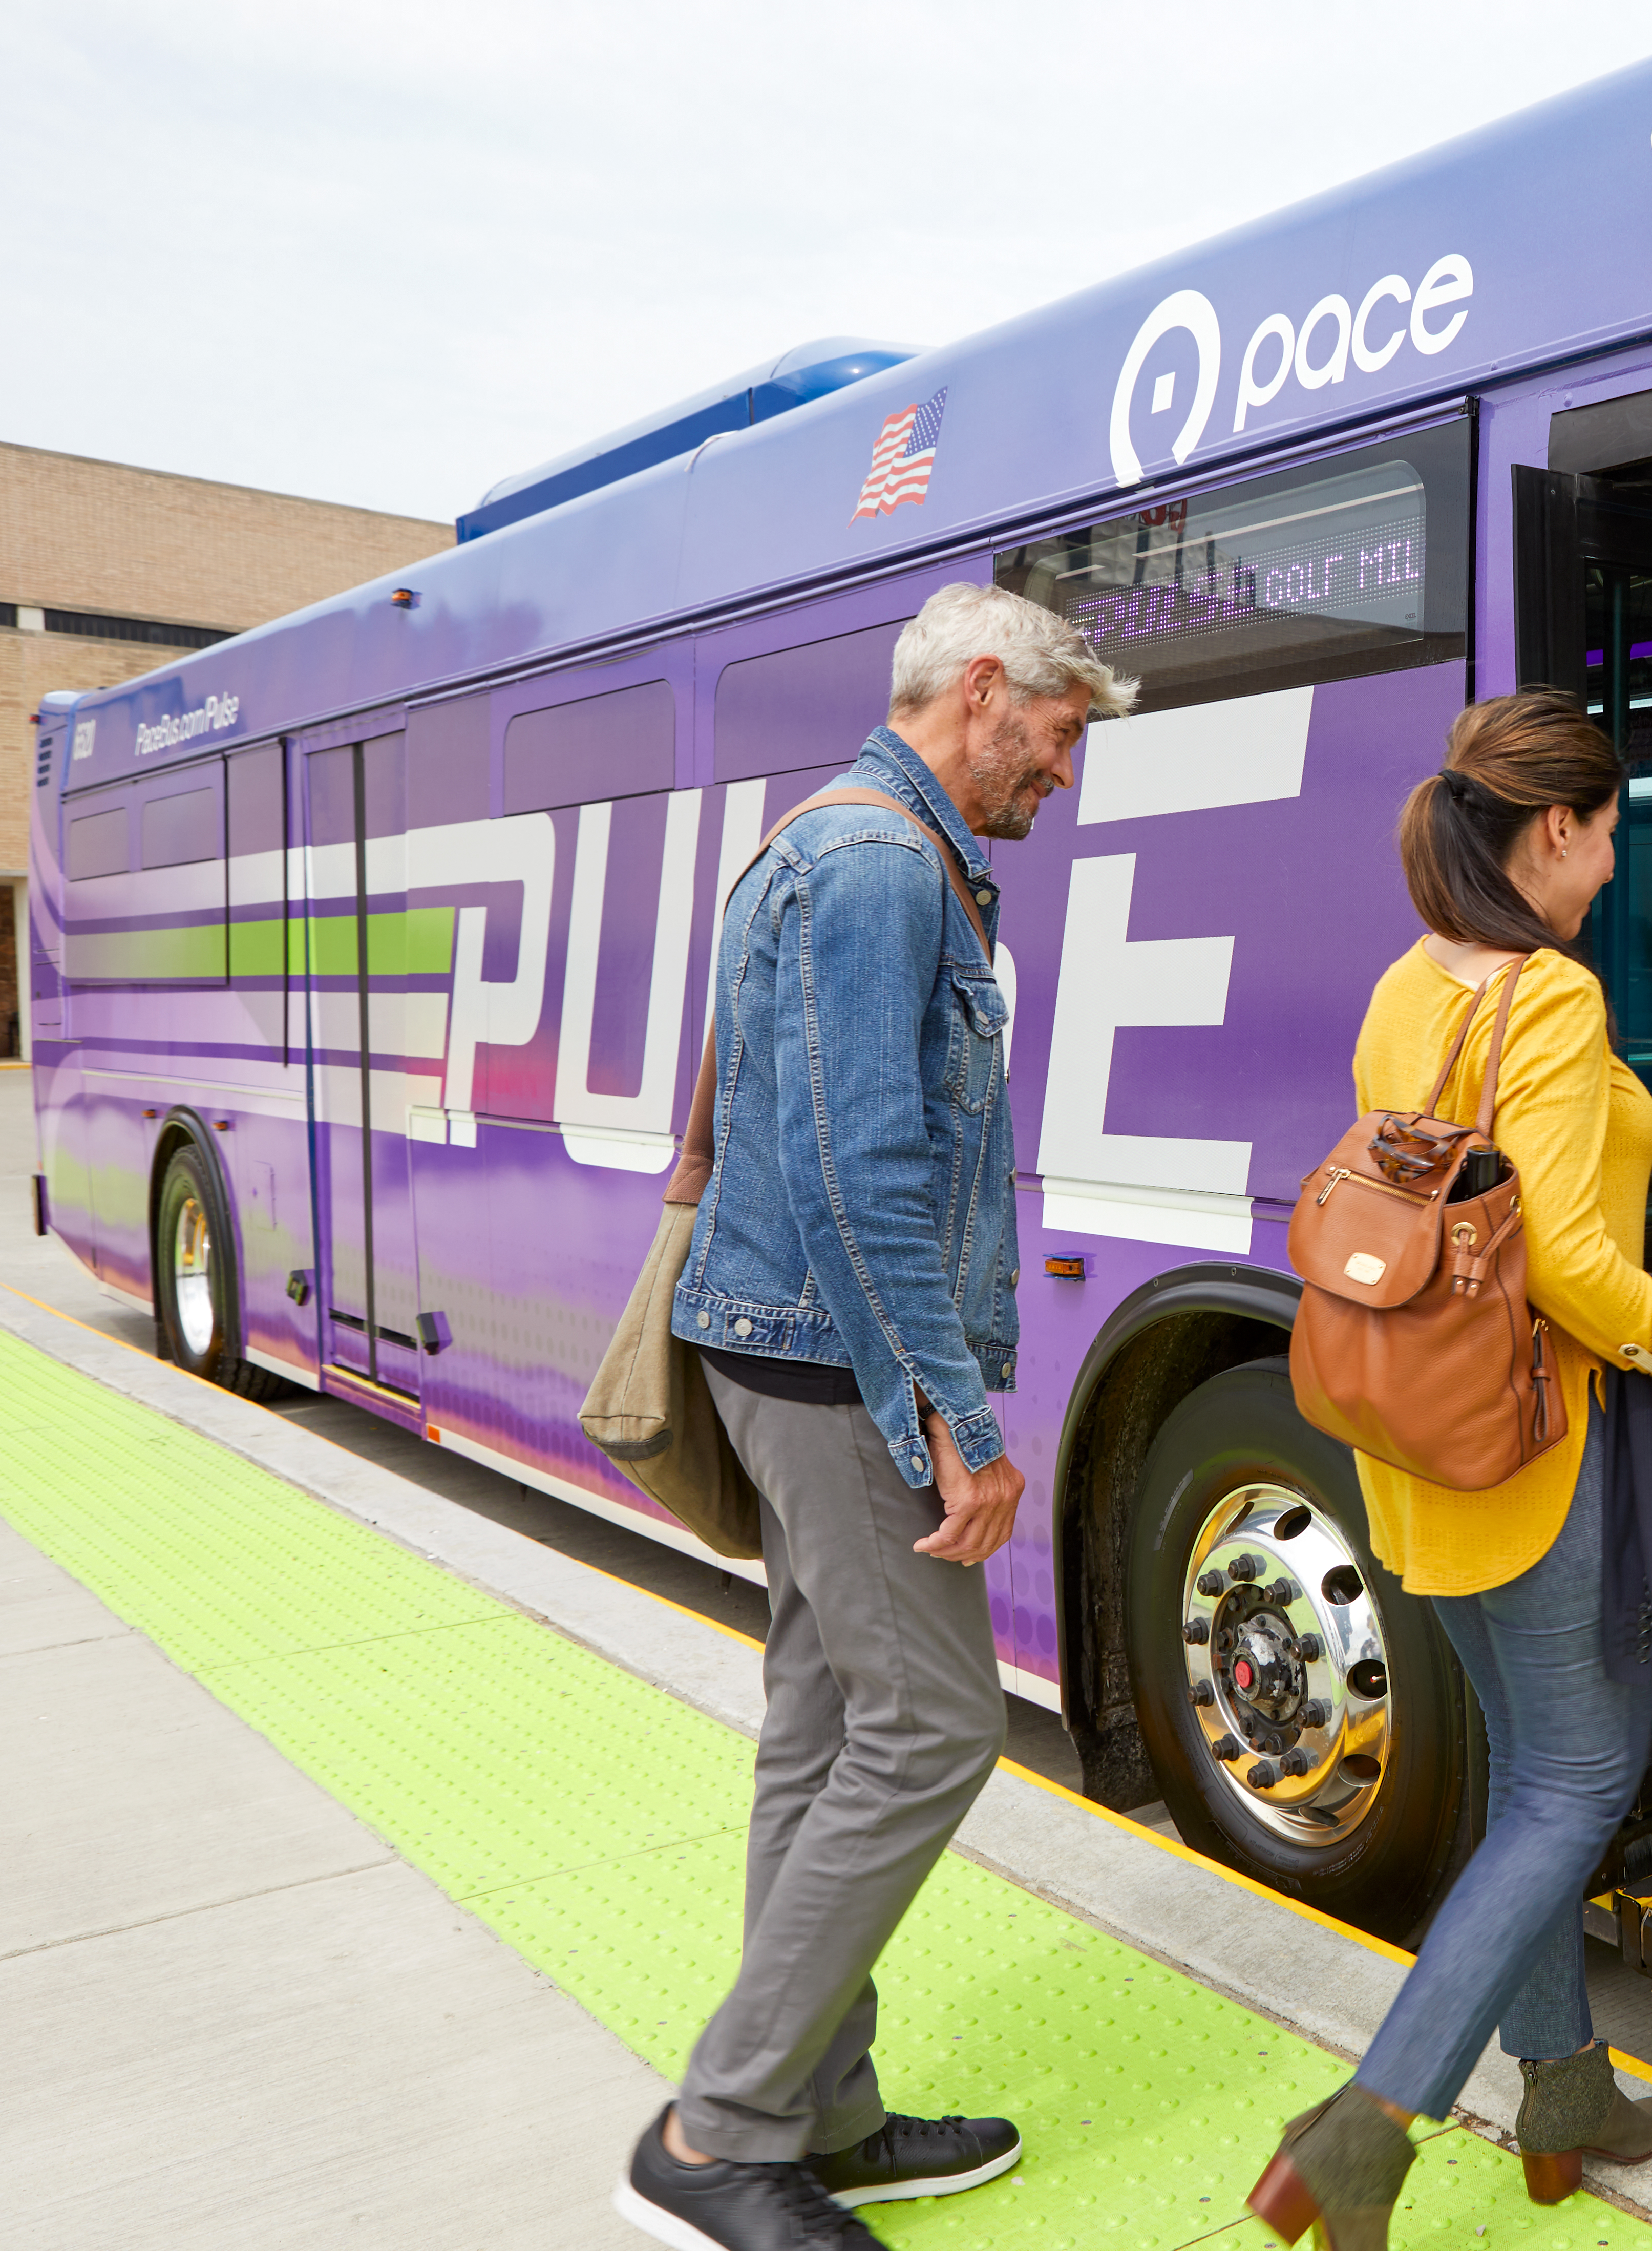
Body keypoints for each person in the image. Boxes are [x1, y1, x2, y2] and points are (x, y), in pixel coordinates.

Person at [617, 582, 1132, 2251]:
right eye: (1055, 745)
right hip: (838, 1369)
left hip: (784, 1352)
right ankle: (727, 2128)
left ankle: (823, 2114)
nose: (1059, 782)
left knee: (827, 1727)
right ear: (983, 691)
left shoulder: (820, 841)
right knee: (935, 1728)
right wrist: (958, 1425)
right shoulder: (883, 870)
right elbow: (862, 1173)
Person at [1247, 689, 1652, 2250]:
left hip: (1417, 1448)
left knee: (1529, 1780)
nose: (1617, 868)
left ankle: (1563, 2088)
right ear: (1553, 829)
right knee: (1580, 1785)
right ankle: (1373, 2125)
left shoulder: (1400, 989)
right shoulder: (1552, 1002)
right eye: (1611, 834)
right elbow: (1561, 1260)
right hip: (1531, 1444)